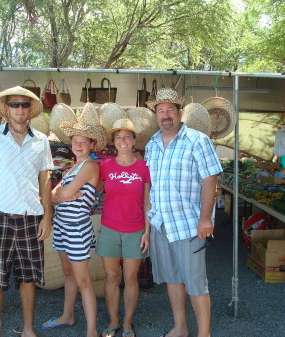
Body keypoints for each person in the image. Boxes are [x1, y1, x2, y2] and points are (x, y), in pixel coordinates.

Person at [0, 86, 53, 337]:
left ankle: (28, 329)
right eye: (15, 104)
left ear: (30, 110)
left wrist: (47, 217)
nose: (20, 109)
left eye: (24, 104)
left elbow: (46, 180)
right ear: (6, 109)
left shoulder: (41, 140)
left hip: (31, 219)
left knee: (28, 278)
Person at [145, 88, 223, 337]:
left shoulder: (198, 140)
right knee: (172, 280)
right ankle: (180, 327)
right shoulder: (152, 145)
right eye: (160, 111)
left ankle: (204, 333)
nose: (165, 115)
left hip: (189, 225)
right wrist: (149, 222)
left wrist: (205, 218)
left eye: (170, 110)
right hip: (162, 224)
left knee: (196, 284)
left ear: (179, 113)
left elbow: (210, 180)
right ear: (156, 115)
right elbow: (151, 187)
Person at [41, 122, 107, 337]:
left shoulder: (90, 165)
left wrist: (60, 194)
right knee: (68, 273)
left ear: (91, 144)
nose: (78, 145)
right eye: (75, 141)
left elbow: (64, 192)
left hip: (77, 227)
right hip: (61, 225)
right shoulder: (73, 166)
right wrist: (59, 195)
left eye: (83, 141)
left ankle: (92, 331)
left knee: (83, 280)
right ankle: (67, 316)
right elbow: (52, 196)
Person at [96, 118, 151, 337]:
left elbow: (147, 202)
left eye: (127, 136)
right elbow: (95, 189)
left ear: (135, 140)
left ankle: (127, 322)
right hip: (109, 228)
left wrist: (147, 231)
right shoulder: (106, 166)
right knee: (111, 277)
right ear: (114, 142)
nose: (123, 140)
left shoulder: (143, 167)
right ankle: (113, 321)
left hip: (135, 229)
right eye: (118, 137)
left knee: (130, 279)